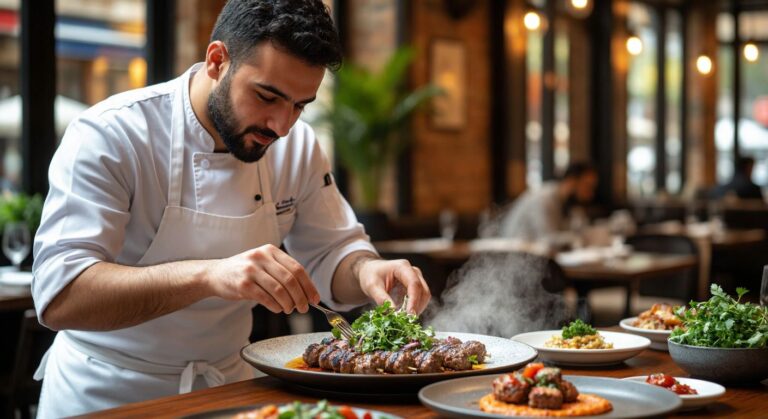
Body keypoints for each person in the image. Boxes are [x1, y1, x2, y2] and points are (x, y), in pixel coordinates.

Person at [31, 1, 430, 417]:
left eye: (299, 105)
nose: (281, 125)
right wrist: (211, 274)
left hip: (230, 393)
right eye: (267, 96)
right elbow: (61, 296)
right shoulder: (113, 134)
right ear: (217, 60)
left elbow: (333, 255)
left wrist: (366, 271)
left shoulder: (297, 147)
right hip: (106, 394)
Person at [498, 162, 598, 242]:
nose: (590, 194)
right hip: (519, 259)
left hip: (536, 258)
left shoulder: (566, 203)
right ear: (571, 181)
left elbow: (576, 229)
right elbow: (547, 239)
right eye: (588, 186)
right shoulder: (544, 199)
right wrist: (577, 238)